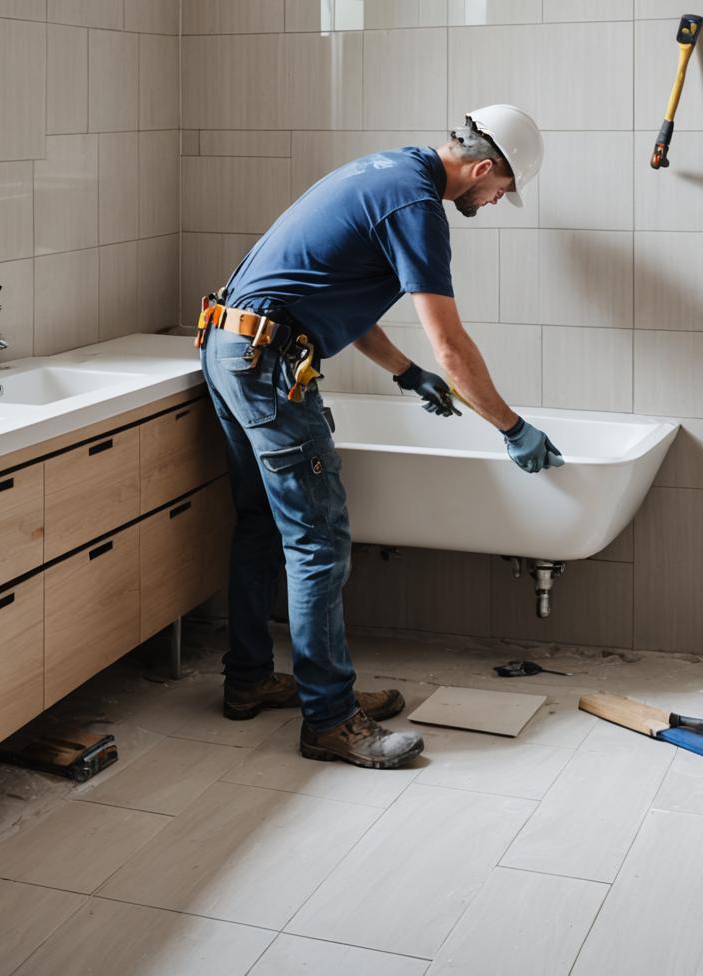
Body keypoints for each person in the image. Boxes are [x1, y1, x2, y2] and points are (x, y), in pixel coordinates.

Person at [196, 104, 565, 769]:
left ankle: (250, 680)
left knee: (260, 525)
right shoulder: (417, 206)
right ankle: (331, 720)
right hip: (268, 365)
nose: (495, 199)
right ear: (482, 168)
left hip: (231, 345)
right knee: (319, 541)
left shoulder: (389, 170)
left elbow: (336, 295)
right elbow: (452, 346)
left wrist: (403, 373)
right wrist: (511, 427)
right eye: (501, 189)